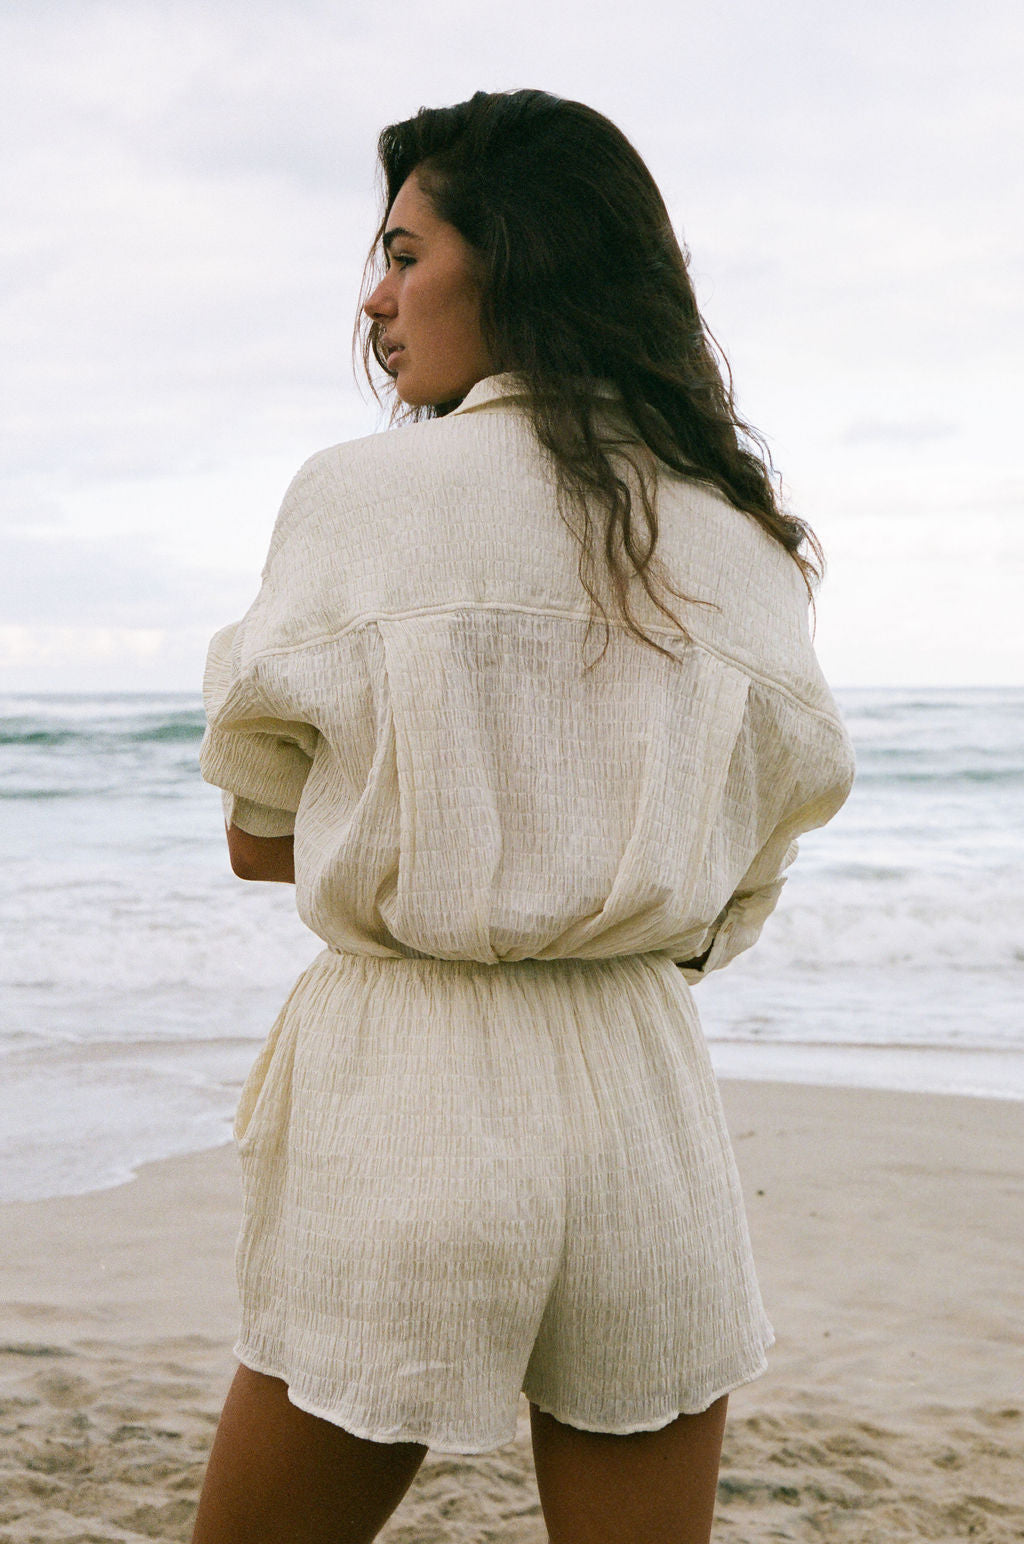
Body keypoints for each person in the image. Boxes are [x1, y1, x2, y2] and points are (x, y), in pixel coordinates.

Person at [192, 90, 855, 1544]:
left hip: (410, 1086)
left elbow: (254, 834)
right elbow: (746, 873)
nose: (373, 299)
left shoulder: (362, 499)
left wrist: (427, 831)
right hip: (640, 1092)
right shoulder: (738, 540)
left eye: (403, 253)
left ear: (520, 258)